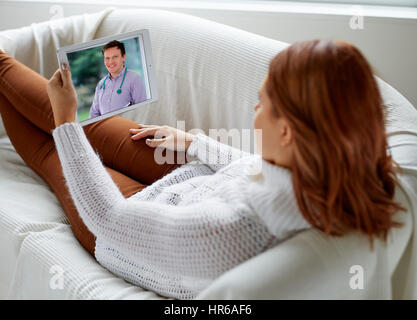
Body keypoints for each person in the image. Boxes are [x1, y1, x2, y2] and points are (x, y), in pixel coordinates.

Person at [0, 39, 405, 300]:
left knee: (48, 150)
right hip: (193, 180)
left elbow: (109, 219)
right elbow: (260, 171)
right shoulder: (340, 168)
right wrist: (194, 143)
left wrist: (67, 122)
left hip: (123, 222)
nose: (253, 110)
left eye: (264, 103)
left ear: (287, 131)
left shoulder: (225, 236)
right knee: (97, 125)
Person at [89, 40, 147, 119]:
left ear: (123, 57)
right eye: (107, 58)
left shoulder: (134, 78)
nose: (111, 62)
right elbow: (94, 114)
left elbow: (143, 111)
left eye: (115, 57)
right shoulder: (101, 84)